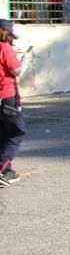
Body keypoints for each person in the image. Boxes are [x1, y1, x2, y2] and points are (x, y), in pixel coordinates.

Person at [0, 19, 28, 187]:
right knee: (17, 132)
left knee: (3, 134)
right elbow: (16, 70)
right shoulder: (5, 48)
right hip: (6, 96)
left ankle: (7, 169)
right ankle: (2, 170)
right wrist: (24, 62)